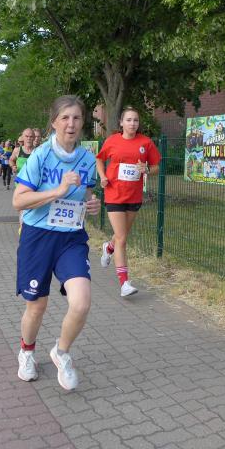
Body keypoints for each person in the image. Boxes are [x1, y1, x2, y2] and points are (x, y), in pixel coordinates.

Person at [12, 95, 101, 391]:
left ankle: (61, 353)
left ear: (83, 123)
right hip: (38, 237)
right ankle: (27, 352)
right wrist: (57, 191)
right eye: (65, 118)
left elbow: (86, 192)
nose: (71, 124)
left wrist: (92, 203)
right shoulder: (40, 156)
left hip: (71, 238)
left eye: (76, 118)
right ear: (54, 123)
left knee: (81, 302)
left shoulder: (87, 159)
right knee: (37, 306)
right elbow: (18, 201)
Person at [95, 106, 161, 296]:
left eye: (136, 120)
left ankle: (108, 247)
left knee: (121, 235)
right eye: (129, 120)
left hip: (134, 195)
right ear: (121, 123)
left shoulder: (146, 143)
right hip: (114, 193)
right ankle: (124, 283)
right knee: (122, 238)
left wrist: (146, 169)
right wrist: (102, 176)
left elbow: (156, 167)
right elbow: (99, 159)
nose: (133, 123)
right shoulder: (112, 141)